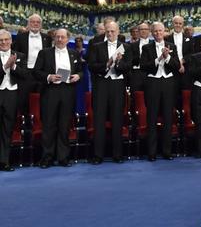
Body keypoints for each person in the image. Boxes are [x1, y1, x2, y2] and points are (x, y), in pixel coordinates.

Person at [33, 29, 82, 168]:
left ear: (68, 39)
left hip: (68, 91)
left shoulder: (74, 53)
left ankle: (63, 157)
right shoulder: (44, 53)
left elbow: (80, 70)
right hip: (50, 92)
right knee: (48, 125)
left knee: (64, 125)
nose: (60, 39)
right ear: (54, 38)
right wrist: (49, 77)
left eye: (63, 37)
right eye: (57, 37)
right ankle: (47, 157)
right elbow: (36, 72)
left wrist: (78, 76)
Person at [87, 21, 131, 164]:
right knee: (99, 121)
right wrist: (106, 64)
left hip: (118, 85)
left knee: (117, 119)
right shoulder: (96, 46)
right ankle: (98, 155)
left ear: (118, 32)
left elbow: (128, 67)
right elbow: (91, 66)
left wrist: (118, 63)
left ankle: (117, 155)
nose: (110, 34)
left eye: (113, 31)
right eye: (108, 31)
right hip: (101, 85)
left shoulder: (125, 47)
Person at [140, 22, 180, 160]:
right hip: (152, 83)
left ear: (164, 32)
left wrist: (167, 57)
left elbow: (177, 66)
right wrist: (159, 59)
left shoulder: (172, 46)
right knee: (151, 118)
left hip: (168, 83)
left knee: (168, 118)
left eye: (160, 31)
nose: (158, 33)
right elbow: (143, 66)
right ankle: (152, 153)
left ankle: (167, 151)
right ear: (152, 33)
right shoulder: (146, 48)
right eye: (155, 31)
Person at [12, 14, 52, 116]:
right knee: (23, 100)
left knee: (42, 100)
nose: (35, 24)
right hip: (26, 73)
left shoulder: (47, 38)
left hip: (41, 73)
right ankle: (25, 124)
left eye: (38, 22)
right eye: (33, 22)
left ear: (41, 25)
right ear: (28, 24)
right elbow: (15, 53)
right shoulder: (21, 37)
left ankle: (40, 124)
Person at [0, 30, 28, 171]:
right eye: (1, 40)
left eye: (6, 39)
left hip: (12, 95)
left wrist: (14, 66)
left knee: (7, 129)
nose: (4, 42)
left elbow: (25, 75)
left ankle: (4, 161)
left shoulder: (20, 56)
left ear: (11, 40)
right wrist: (5, 66)